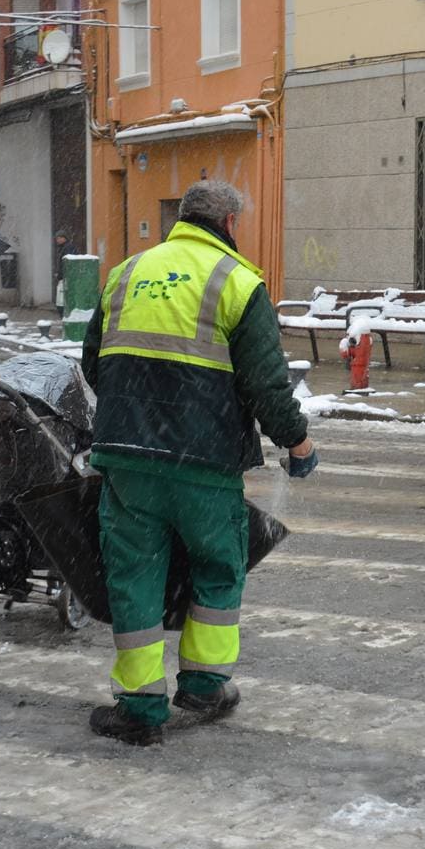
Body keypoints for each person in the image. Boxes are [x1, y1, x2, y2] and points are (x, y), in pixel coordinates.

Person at [82, 179, 318, 746]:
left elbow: (95, 363)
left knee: (134, 574)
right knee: (217, 564)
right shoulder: (237, 282)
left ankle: (139, 709)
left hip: (128, 460)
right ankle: (204, 685)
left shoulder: (126, 273)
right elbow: (266, 384)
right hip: (203, 462)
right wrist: (297, 443)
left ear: (181, 220)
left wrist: (139, 414)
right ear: (230, 223)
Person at [53, 229, 76, 316]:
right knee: (61, 303)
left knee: (61, 303)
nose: (57, 240)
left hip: (66, 279)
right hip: (63, 278)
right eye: (57, 238)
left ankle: (65, 318)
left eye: (59, 238)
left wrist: (61, 274)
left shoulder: (68, 248)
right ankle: (64, 318)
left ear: (64, 238)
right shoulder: (63, 248)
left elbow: (67, 264)